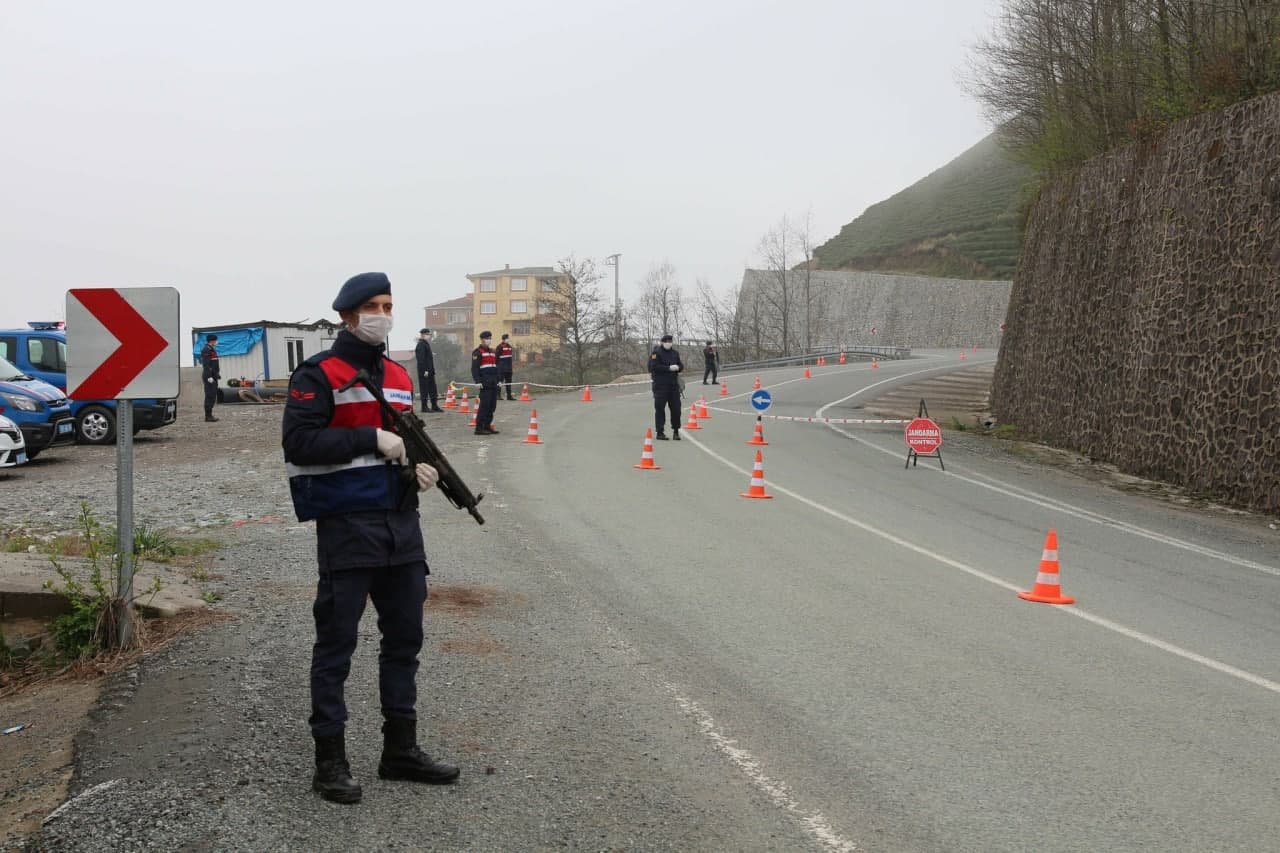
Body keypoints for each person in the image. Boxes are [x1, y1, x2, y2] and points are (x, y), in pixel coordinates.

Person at [282, 271, 460, 805]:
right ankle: (329, 762)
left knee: (405, 643)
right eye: (373, 306)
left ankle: (399, 751)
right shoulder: (317, 374)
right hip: (348, 529)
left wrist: (417, 470)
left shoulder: (397, 374)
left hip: (401, 528)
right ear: (347, 315)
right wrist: (371, 437)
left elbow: (405, 442)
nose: (383, 313)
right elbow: (300, 443)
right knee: (336, 647)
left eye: (389, 304)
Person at [649, 334, 683, 440]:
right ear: (662, 342)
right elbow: (652, 367)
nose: (669, 343)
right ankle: (660, 432)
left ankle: (676, 431)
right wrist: (668, 368)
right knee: (660, 409)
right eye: (667, 341)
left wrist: (678, 367)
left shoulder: (675, 353)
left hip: (673, 386)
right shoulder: (656, 353)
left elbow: (681, 365)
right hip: (660, 385)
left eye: (670, 341)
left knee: (676, 409)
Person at [470, 330, 500, 435]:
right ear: (482, 339)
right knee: (484, 406)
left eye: (490, 338)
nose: (489, 340)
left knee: (492, 406)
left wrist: (499, 380)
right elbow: (474, 369)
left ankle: (487, 426)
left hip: (493, 382)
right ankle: (479, 428)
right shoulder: (477, 352)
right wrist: (477, 381)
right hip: (485, 383)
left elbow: (496, 367)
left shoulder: (493, 351)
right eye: (487, 338)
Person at [415, 328, 442, 412]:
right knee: (424, 389)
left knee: (433, 389)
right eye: (428, 334)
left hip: (430, 372)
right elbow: (421, 359)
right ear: (423, 335)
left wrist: (431, 370)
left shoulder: (426, 344)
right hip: (424, 372)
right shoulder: (421, 345)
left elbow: (428, 359)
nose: (429, 336)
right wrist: (425, 370)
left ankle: (434, 405)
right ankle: (424, 407)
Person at [200, 334, 221, 422]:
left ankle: (210, 415)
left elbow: (214, 364)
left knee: (213, 395)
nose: (216, 342)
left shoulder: (212, 350)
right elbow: (206, 365)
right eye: (215, 340)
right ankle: (208, 416)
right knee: (210, 395)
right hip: (209, 377)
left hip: (213, 376)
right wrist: (209, 376)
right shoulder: (206, 350)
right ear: (212, 341)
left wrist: (217, 374)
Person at [495, 333, 515, 400]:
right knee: (500, 382)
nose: (508, 339)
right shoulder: (499, 347)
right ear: (503, 339)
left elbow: (510, 358)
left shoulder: (510, 347)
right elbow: (496, 358)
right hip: (501, 368)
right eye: (507, 338)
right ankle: (498, 395)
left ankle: (509, 396)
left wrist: (511, 368)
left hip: (509, 368)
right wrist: (497, 367)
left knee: (509, 382)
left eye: (508, 338)